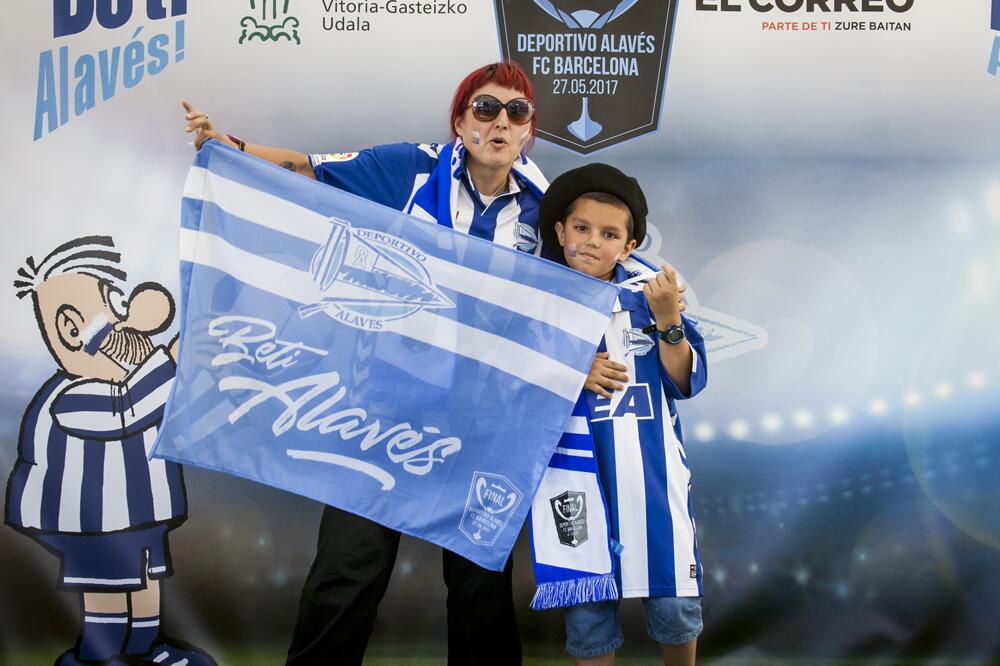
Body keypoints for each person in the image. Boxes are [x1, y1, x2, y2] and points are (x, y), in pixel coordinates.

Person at [182, 61, 547, 666]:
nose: (501, 122)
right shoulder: (411, 167)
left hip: (484, 426)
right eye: (485, 108)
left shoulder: (546, 204)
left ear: (529, 130)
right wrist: (233, 147)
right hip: (384, 409)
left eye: (517, 112)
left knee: (481, 588)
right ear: (460, 121)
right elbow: (309, 169)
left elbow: (571, 301)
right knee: (348, 572)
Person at [6, 236, 215, 666]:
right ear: (70, 328)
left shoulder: (122, 377)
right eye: (113, 303)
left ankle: (147, 649)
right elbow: (127, 409)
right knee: (106, 586)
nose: (125, 318)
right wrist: (174, 357)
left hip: (139, 515)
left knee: (145, 580)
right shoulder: (70, 396)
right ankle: (97, 656)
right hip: (94, 522)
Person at [537, 164, 708, 666]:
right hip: (570, 479)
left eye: (609, 234)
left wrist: (669, 322)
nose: (592, 241)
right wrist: (569, 368)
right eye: (582, 228)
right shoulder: (537, 300)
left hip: (648, 474)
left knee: (674, 603)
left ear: (629, 245)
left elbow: (684, 381)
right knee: (587, 614)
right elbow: (507, 380)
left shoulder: (651, 297)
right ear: (560, 232)